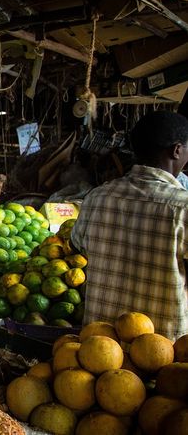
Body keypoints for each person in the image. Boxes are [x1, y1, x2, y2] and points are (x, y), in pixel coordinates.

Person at [71, 111, 188, 341]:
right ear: (176, 150)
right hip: (164, 352)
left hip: (99, 351)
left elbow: (76, 248)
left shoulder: (96, 197)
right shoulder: (183, 207)